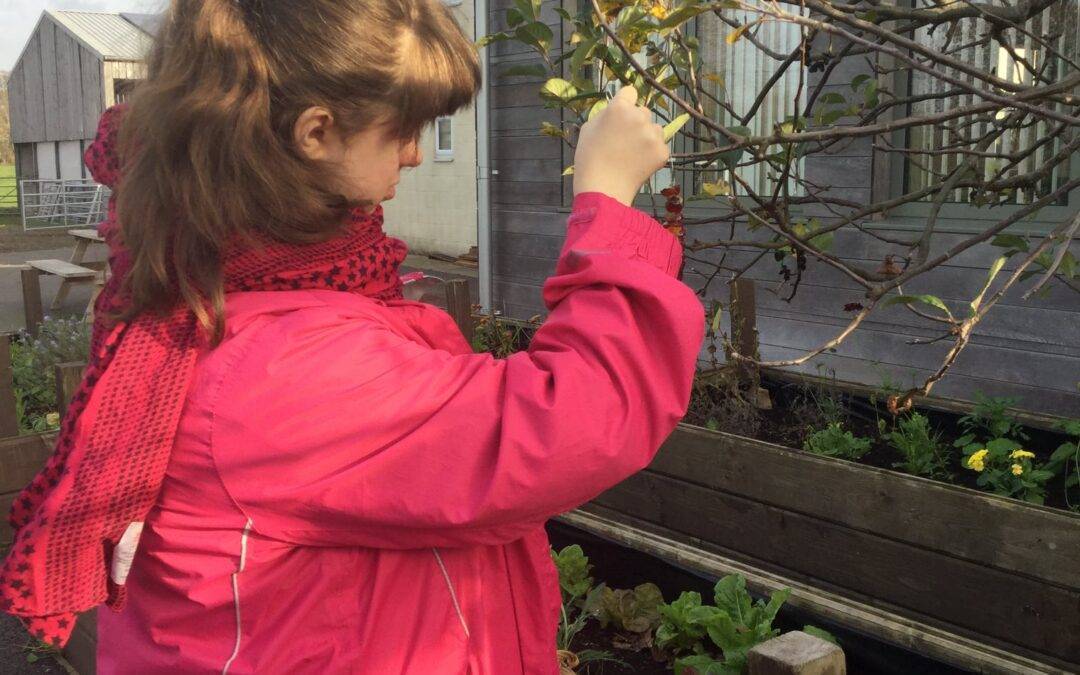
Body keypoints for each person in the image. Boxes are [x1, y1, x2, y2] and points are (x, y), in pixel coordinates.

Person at [0, 0, 704, 672]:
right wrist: (607, 201)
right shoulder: (281, 370)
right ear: (316, 132)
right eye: (402, 128)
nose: (415, 155)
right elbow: (565, 416)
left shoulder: (230, 277)